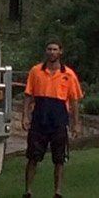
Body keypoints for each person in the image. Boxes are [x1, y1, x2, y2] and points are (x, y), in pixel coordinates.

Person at [21, 40, 83, 198]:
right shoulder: (36, 71)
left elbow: (74, 100)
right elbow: (28, 95)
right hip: (39, 118)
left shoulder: (68, 74)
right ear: (45, 51)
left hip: (58, 120)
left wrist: (76, 123)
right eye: (49, 49)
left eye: (55, 49)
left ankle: (58, 191)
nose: (52, 52)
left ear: (60, 52)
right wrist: (25, 115)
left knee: (59, 159)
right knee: (33, 156)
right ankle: (28, 190)